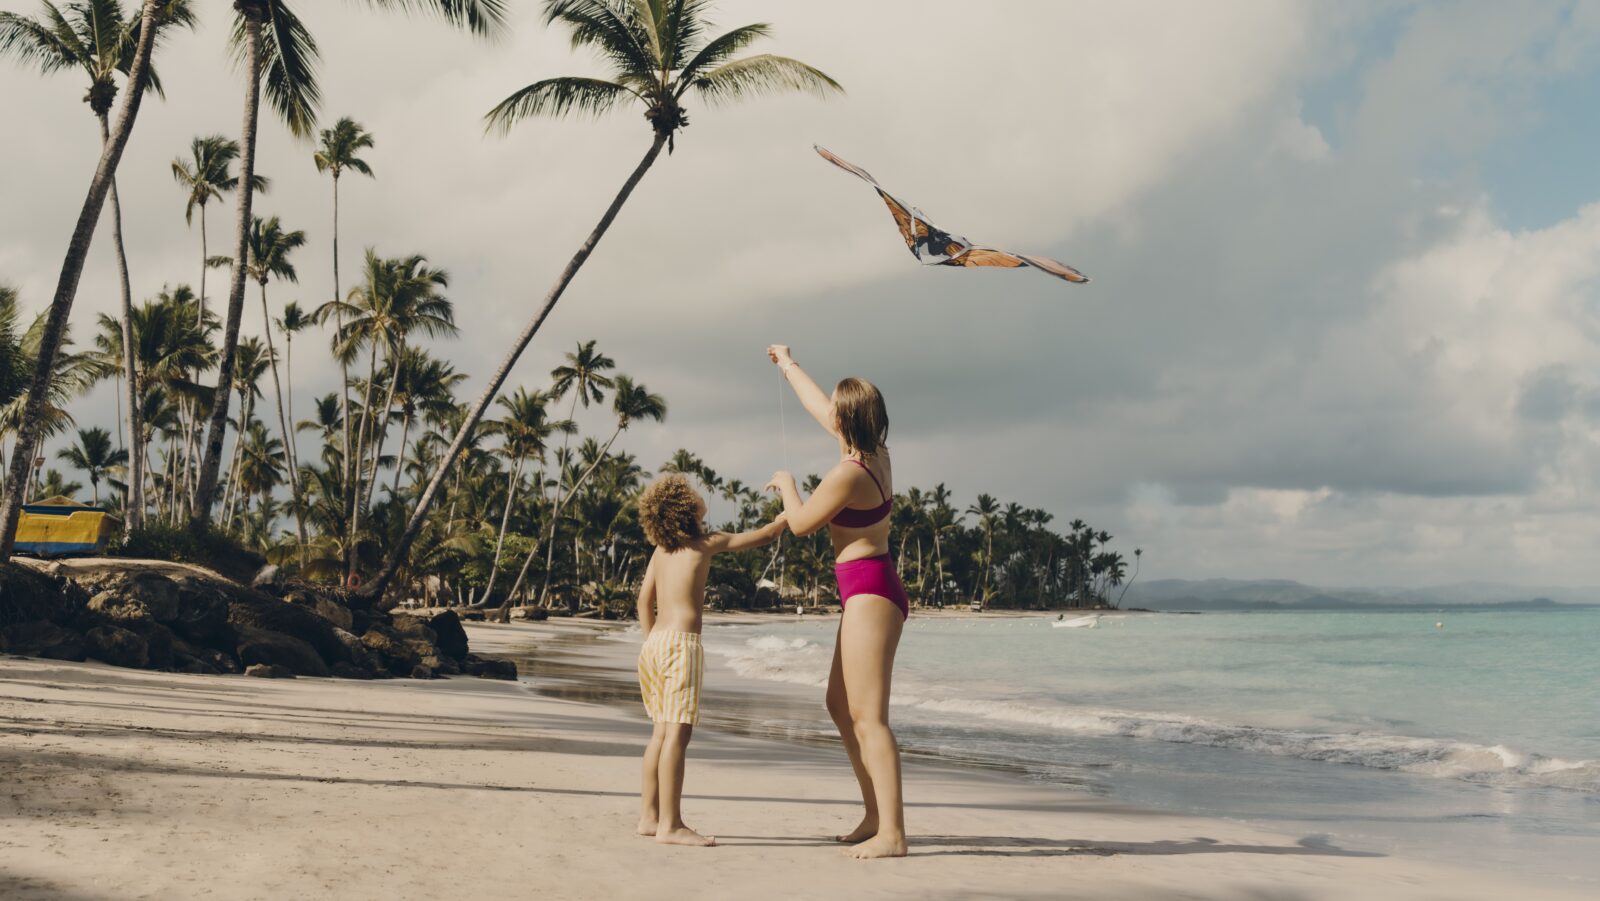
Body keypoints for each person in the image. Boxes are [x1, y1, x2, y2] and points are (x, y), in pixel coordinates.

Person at [764, 343, 910, 860]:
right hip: (866, 589)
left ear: (849, 423)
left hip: (871, 591)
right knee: (837, 704)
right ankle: (875, 814)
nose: (830, 418)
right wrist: (787, 363)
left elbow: (802, 525)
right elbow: (819, 406)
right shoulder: (874, 453)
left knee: (870, 716)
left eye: (837, 416)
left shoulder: (850, 472)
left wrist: (786, 485)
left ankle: (893, 833)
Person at [634, 474, 787, 847]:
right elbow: (765, 536)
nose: (699, 494)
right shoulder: (705, 543)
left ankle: (649, 817)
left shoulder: (660, 552)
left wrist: (653, 639)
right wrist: (788, 512)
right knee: (678, 736)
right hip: (680, 646)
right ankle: (671, 825)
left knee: (659, 734)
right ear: (685, 509)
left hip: (653, 645)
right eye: (691, 493)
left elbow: (642, 602)